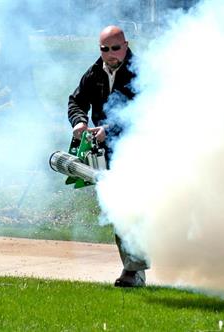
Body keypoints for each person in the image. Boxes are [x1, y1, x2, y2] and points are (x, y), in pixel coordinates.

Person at [68, 26, 149, 287]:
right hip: (107, 152)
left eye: (115, 48)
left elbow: (141, 111)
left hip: (140, 149)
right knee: (119, 209)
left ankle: (134, 270)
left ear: (125, 45)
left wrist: (109, 129)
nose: (110, 54)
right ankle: (133, 269)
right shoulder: (94, 73)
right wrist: (80, 122)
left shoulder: (141, 71)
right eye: (104, 49)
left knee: (132, 208)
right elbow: (76, 101)